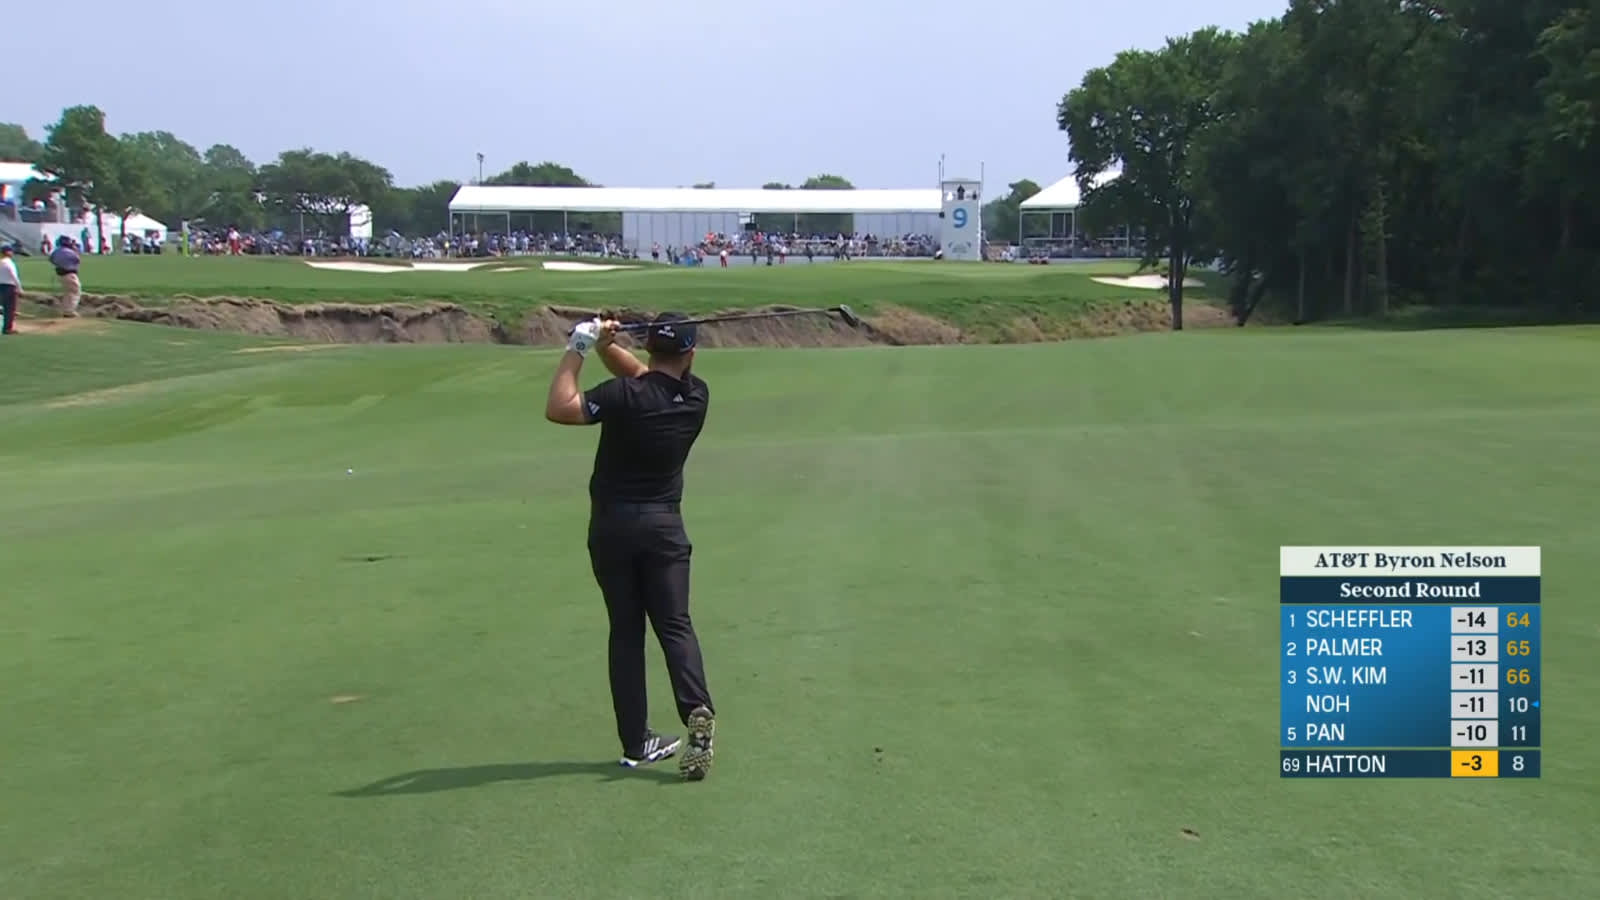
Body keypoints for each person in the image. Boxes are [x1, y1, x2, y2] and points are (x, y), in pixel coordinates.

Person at [543, 311, 717, 780]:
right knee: (675, 624)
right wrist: (605, 346)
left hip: (612, 529)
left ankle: (637, 741)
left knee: (625, 632)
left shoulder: (623, 396)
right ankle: (696, 707)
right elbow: (647, 378)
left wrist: (579, 347)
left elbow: (560, 407)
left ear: (651, 348)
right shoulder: (695, 396)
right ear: (691, 354)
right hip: (665, 529)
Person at [0, 244, 20, 335]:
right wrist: (19, 288)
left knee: (4, 307)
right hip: (9, 286)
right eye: (11, 251)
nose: (12, 253)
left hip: (1, 285)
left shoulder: (1, 262)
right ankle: (7, 328)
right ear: (7, 252)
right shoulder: (9, 263)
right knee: (10, 308)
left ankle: (6, 327)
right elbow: (14, 276)